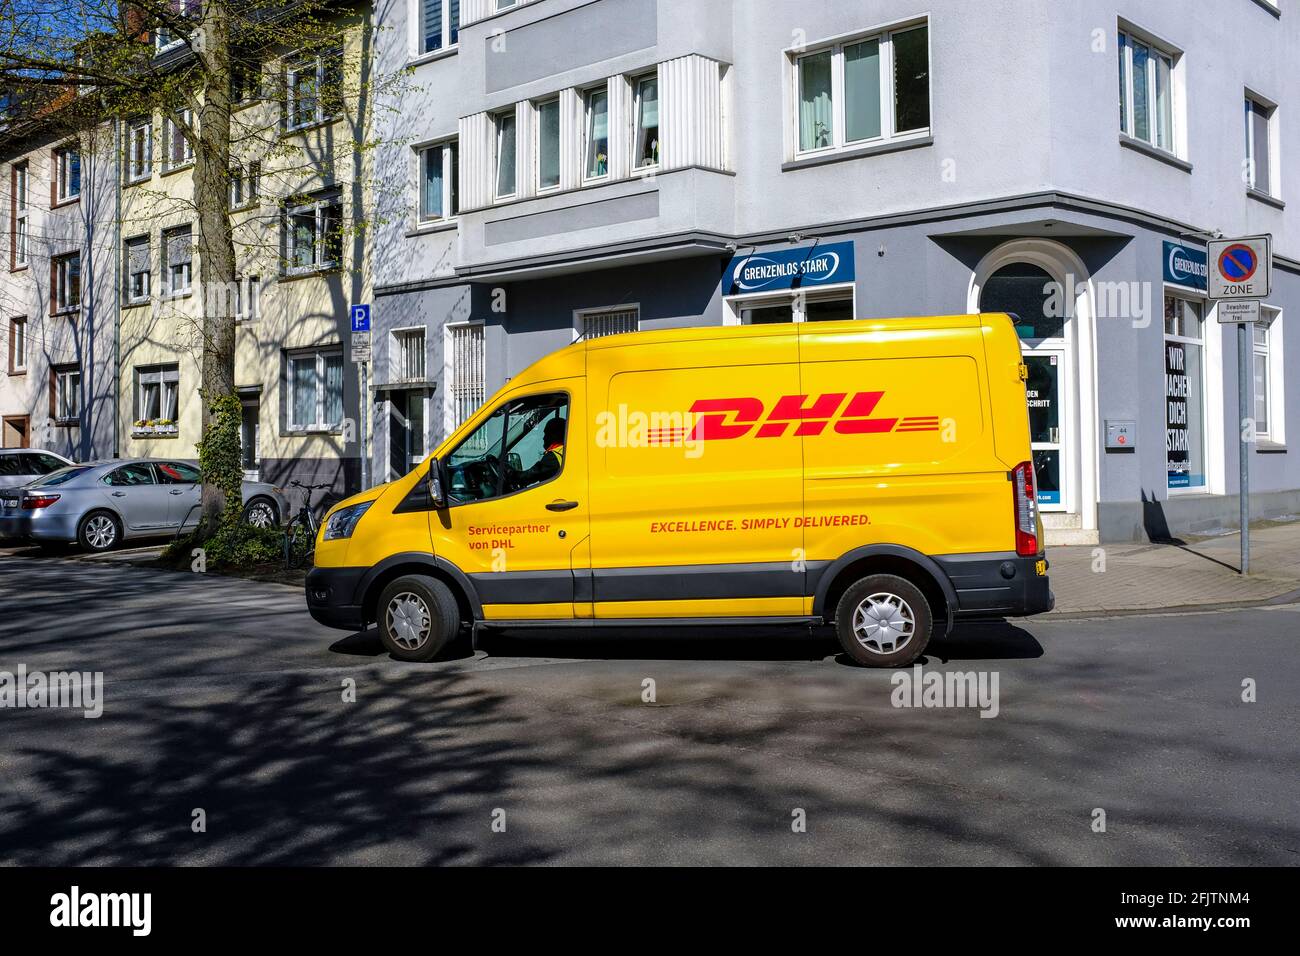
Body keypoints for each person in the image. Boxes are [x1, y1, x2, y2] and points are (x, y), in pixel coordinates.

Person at [517, 416, 566, 486]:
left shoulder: (553, 457)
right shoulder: (565, 451)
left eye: (546, 434)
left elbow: (527, 477)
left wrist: (511, 474)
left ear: (555, 435)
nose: (543, 438)